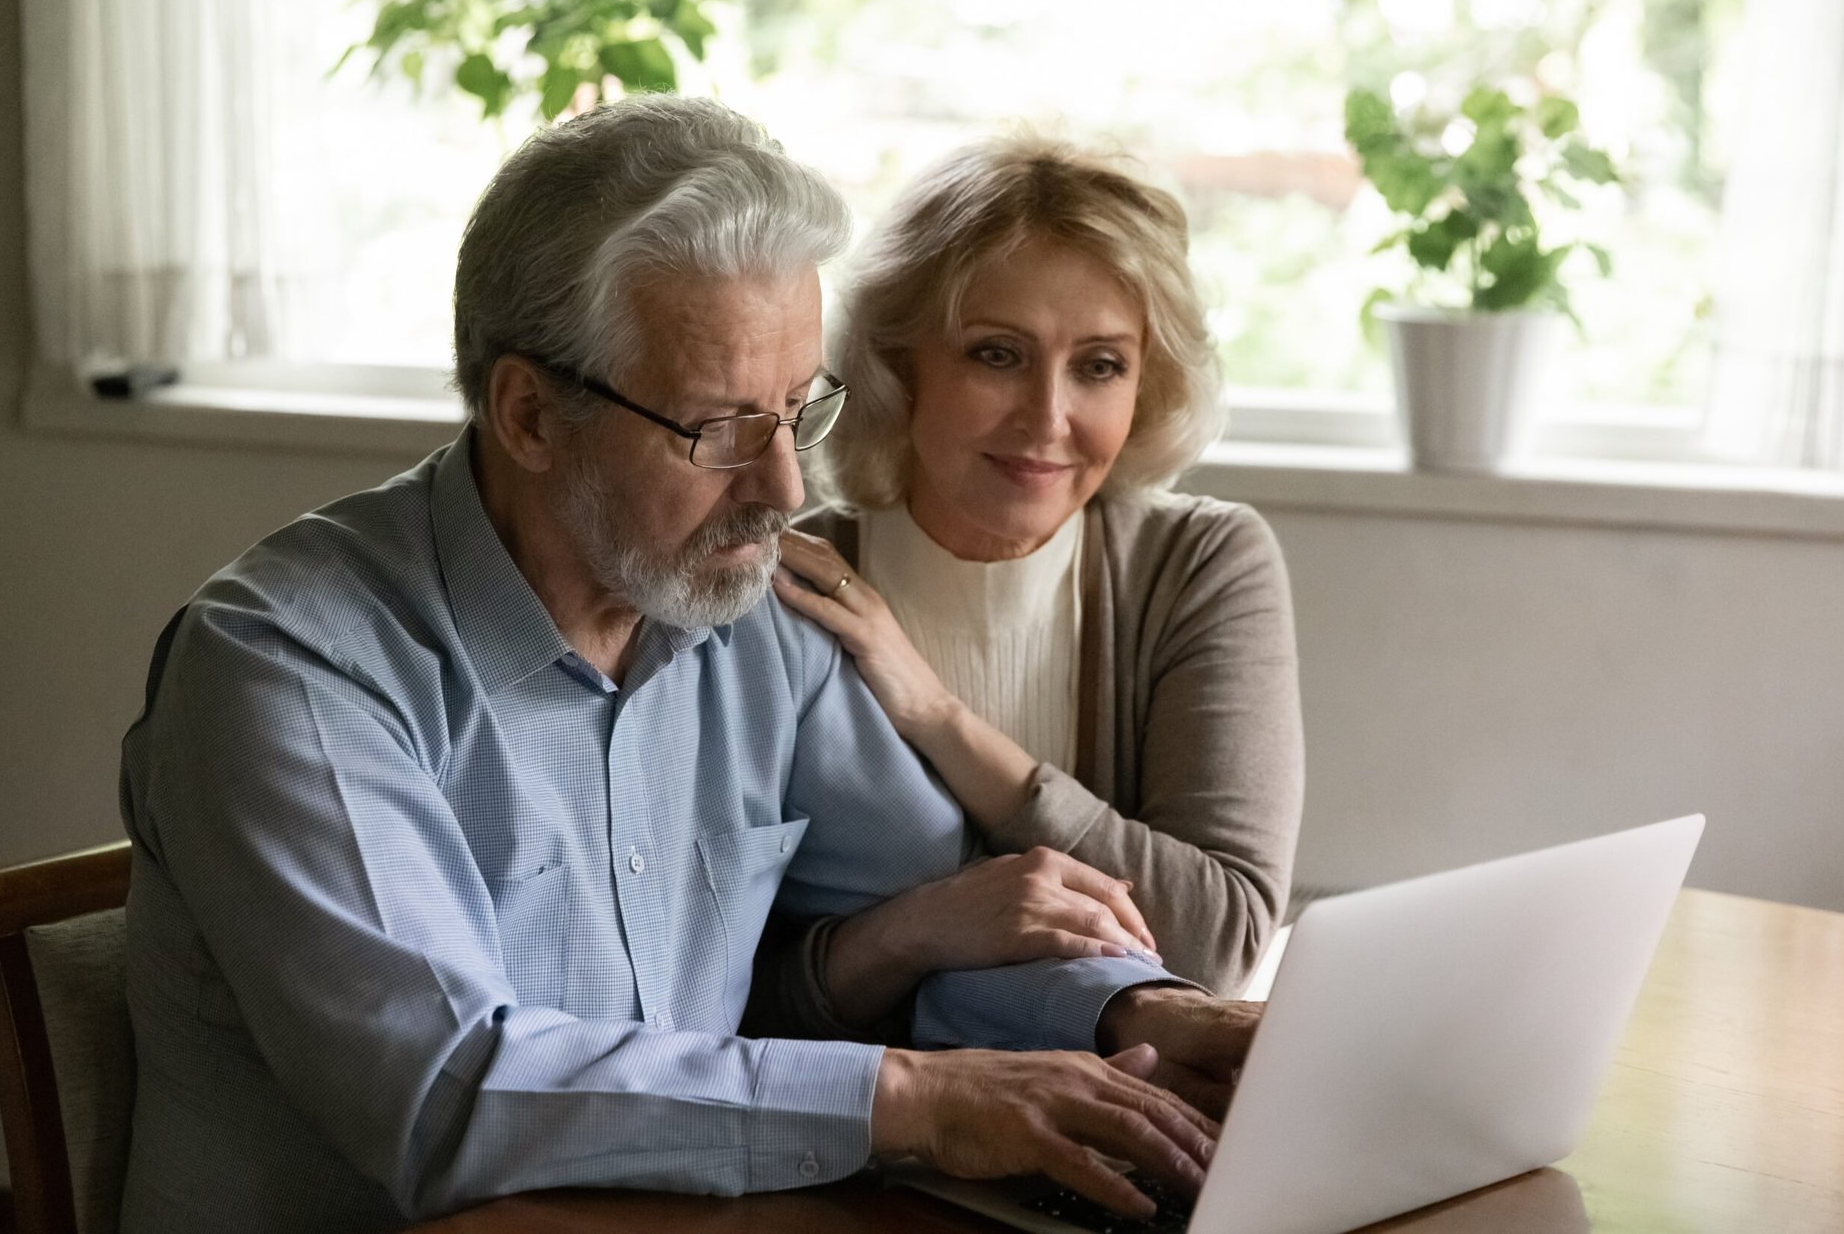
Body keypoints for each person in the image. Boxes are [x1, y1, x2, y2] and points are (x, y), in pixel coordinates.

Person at [116, 97, 1259, 1234]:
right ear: (529, 413)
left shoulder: (755, 610)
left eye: (799, 412)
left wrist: (1134, 1018)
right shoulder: (287, 666)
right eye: (719, 430)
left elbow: (936, 923)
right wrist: (912, 1099)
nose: (786, 490)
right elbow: (447, 1093)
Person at [770, 136, 1304, 1007]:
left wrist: (940, 718)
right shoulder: (791, 584)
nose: (1049, 418)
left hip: (1135, 1117)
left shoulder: (1200, 564)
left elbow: (1220, 943)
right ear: (901, 367)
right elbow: (742, 988)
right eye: (997, 354)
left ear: (1147, 384)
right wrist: (935, 924)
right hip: (868, 1123)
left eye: (1099, 366)